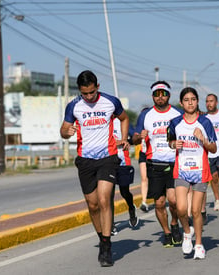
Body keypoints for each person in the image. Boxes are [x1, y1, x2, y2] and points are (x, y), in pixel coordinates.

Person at [60, 70, 129, 267]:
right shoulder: (74, 106)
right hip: (85, 161)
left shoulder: (110, 101)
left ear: (97, 87)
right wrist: (67, 132)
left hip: (108, 157)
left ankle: (106, 246)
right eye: (85, 94)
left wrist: (123, 139)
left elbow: (124, 118)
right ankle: (101, 237)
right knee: (92, 205)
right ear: (80, 91)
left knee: (104, 199)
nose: (89, 97)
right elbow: (63, 131)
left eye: (91, 92)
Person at [167, 87, 217, 260]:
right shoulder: (175, 122)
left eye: (193, 99)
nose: (190, 102)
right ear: (181, 103)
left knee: (196, 211)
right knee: (181, 209)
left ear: (197, 102)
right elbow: (170, 141)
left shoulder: (205, 123)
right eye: (186, 100)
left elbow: (213, 148)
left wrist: (203, 140)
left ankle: (199, 244)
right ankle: (187, 233)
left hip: (200, 171)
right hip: (181, 170)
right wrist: (174, 145)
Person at [132, 81, 183, 248]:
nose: (160, 97)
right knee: (160, 203)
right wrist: (139, 136)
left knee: (174, 201)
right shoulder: (146, 115)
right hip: (154, 163)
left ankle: (175, 223)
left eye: (163, 94)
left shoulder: (177, 114)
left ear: (169, 95)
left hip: (174, 162)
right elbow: (134, 137)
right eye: (156, 94)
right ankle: (167, 232)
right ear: (152, 96)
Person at [111, 119, 139, 236]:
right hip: (107, 162)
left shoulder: (122, 121)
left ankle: (131, 208)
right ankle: (110, 224)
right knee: (108, 194)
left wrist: (125, 141)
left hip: (123, 161)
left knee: (124, 192)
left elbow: (135, 138)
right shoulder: (101, 121)